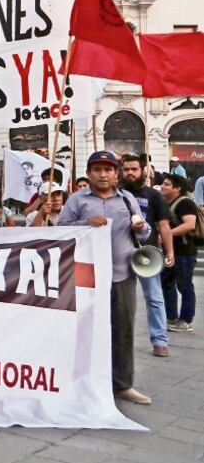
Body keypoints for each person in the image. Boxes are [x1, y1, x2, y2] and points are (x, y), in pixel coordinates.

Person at [58, 151, 151, 405]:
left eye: (108, 170)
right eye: (97, 169)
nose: (103, 174)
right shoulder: (78, 200)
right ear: (89, 174)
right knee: (84, 329)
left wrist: (141, 228)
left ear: (116, 174)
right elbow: (59, 229)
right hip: (86, 278)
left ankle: (122, 384)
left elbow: (144, 235)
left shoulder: (127, 200)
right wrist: (85, 223)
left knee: (123, 329)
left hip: (122, 274)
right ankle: (82, 380)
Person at [120, 154, 175, 358]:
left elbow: (163, 225)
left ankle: (159, 341)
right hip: (121, 254)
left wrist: (169, 252)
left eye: (134, 169)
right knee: (120, 300)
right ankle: (118, 341)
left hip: (147, 253)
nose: (130, 173)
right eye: (126, 169)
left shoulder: (153, 195)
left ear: (143, 170)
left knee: (154, 298)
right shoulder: (116, 193)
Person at [160, 174, 197, 334]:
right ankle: (171, 317)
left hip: (185, 252)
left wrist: (166, 235)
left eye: (167, 184)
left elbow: (190, 224)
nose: (162, 186)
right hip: (169, 251)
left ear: (177, 188)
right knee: (167, 283)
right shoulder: (165, 203)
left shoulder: (185, 203)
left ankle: (186, 320)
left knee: (184, 285)